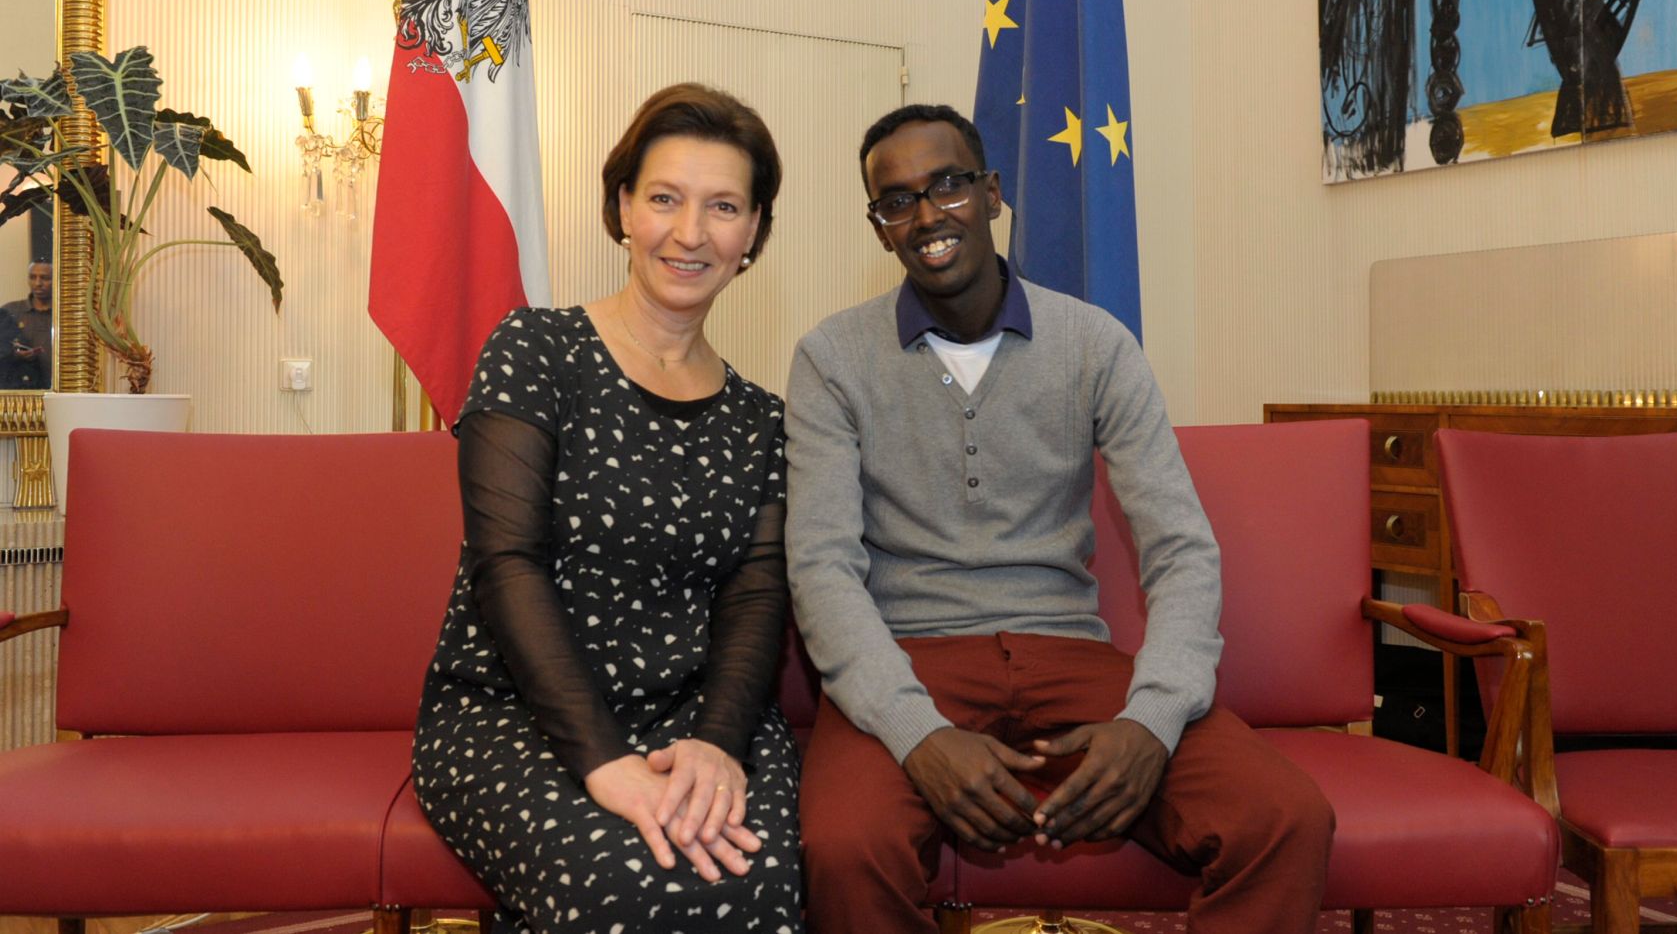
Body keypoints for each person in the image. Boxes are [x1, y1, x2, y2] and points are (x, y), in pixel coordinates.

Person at [784, 104, 1335, 933]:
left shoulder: (1095, 344)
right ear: (879, 229)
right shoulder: (830, 359)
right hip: (911, 655)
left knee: (1283, 817)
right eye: (897, 201)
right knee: (843, 848)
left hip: (1067, 653)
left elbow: (1181, 551)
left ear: (993, 194)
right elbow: (821, 570)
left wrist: (1150, 720)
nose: (928, 215)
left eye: (948, 185)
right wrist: (916, 734)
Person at [413, 84, 801, 934]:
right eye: (664, 198)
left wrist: (716, 744)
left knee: (760, 879)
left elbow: (755, 593)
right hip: (514, 713)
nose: (690, 233)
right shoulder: (534, 351)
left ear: (755, 234)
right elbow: (505, 564)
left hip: (695, 717)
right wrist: (604, 762)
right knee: (632, 887)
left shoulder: (763, 418)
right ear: (623, 206)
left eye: (724, 207)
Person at [0, 260, 52, 390]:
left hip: (59, 387)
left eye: (45, 278)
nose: (38, 283)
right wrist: (13, 355)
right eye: (33, 277)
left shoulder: (65, 315)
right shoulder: (10, 311)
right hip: (21, 389)